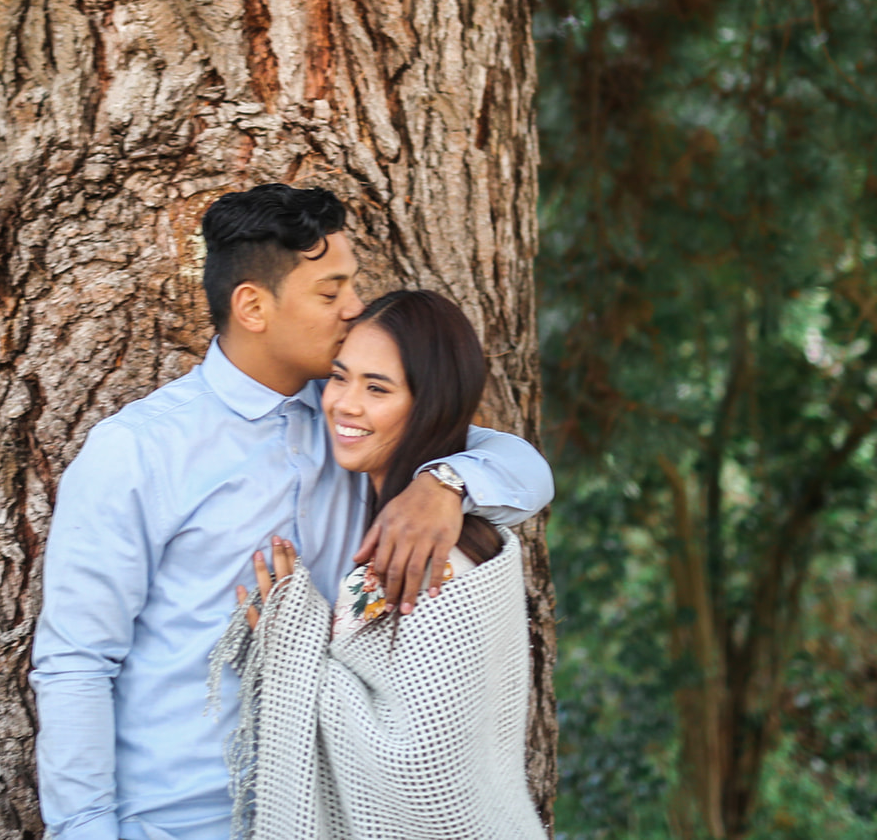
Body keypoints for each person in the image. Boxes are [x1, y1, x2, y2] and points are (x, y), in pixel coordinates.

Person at [31, 184, 554, 840]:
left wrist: (444, 485)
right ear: (253, 306)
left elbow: (527, 471)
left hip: (330, 814)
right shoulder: (139, 450)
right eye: (331, 293)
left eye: (353, 286)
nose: (355, 309)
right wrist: (83, 829)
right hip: (181, 822)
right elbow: (78, 662)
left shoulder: (355, 421)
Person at [213, 289, 549, 840]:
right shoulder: (401, 517)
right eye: (339, 377)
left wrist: (293, 643)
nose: (345, 403)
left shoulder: (433, 555)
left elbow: (425, 776)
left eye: (377, 388)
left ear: (429, 405)